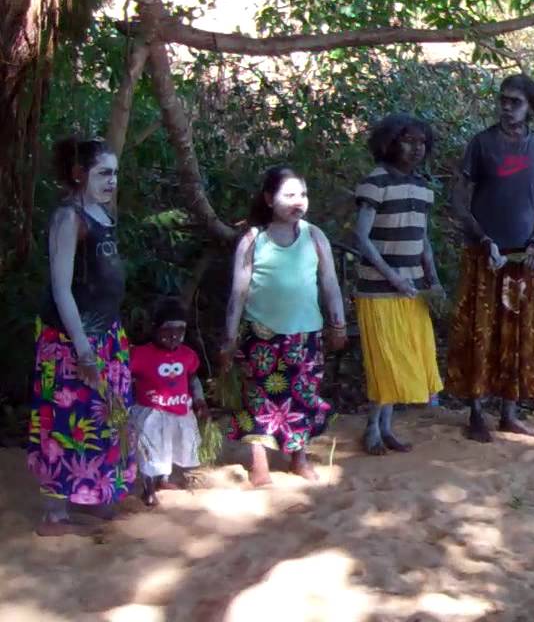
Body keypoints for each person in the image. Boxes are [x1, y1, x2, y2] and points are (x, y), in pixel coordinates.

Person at [27, 135, 135, 536]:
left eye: (115, 174)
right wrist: (84, 350)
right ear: (79, 174)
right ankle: (55, 515)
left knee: (103, 417)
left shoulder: (102, 214)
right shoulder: (68, 217)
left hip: (106, 333)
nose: (112, 182)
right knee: (64, 419)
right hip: (71, 341)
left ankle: (88, 496)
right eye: (103, 173)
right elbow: (61, 288)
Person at [446, 74, 534, 442]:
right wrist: (483, 239)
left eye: (515, 101)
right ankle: (476, 412)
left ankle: (509, 412)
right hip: (485, 255)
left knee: (517, 334)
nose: (506, 106)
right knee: (480, 331)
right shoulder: (482, 144)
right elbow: (459, 202)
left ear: (530, 106)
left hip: (522, 258)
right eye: (503, 100)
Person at [221, 166, 346, 486]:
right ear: (268, 199)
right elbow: (238, 290)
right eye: (288, 195)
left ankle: (298, 458)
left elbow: (330, 283)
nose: (298, 201)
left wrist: (338, 324)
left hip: (305, 335)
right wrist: (229, 337)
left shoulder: (315, 236)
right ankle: (259, 464)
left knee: (302, 397)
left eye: (302, 194)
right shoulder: (253, 238)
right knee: (257, 398)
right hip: (260, 335)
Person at [352, 114, 445, 455]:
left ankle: (386, 427)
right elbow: (361, 237)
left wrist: (432, 279)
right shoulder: (374, 183)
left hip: (414, 289)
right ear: (389, 142)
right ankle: (372, 429)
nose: (416, 148)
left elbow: (423, 239)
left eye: (422, 142)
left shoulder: (422, 186)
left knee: (405, 358)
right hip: (378, 289)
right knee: (385, 359)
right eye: (408, 141)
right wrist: (392, 276)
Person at [129, 297, 207, 506]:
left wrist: (199, 400)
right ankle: (148, 488)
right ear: (155, 329)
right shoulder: (139, 354)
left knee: (170, 446)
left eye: (180, 330)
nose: (174, 336)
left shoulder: (188, 355)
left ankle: (164, 479)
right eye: (167, 330)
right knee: (150, 451)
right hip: (151, 413)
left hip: (179, 412)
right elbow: (125, 379)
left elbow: (193, 379)